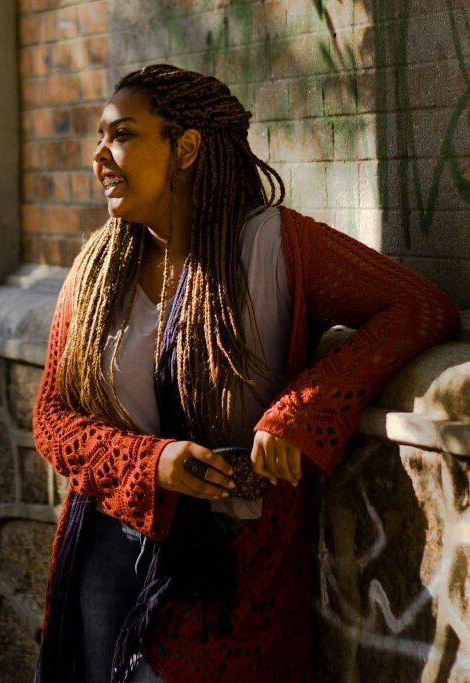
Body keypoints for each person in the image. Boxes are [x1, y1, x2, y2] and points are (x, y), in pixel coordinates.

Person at [31, 64, 460, 683]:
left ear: (185, 147)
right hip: (106, 546)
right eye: (100, 137)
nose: (99, 155)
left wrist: (301, 409)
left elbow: (420, 308)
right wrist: (151, 463)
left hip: (231, 557)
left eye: (122, 134)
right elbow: (51, 417)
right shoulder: (96, 272)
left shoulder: (276, 246)